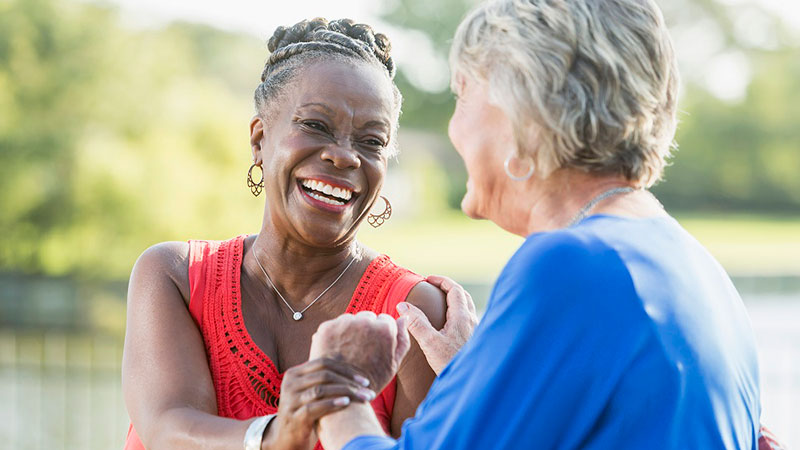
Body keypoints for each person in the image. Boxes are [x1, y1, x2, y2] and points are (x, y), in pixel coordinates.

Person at [304, 0, 765, 449]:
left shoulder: (574, 266)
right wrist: (480, 377)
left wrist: (339, 384)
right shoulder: (692, 265)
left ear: (522, 116)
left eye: (463, 95)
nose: (453, 127)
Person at [120, 18, 447, 450]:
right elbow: (167, 429)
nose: (344, 156)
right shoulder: (176, 276)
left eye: (372, 141)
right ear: (259, 140)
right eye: (315, 125)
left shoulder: (413, 314)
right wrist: (277, 434)